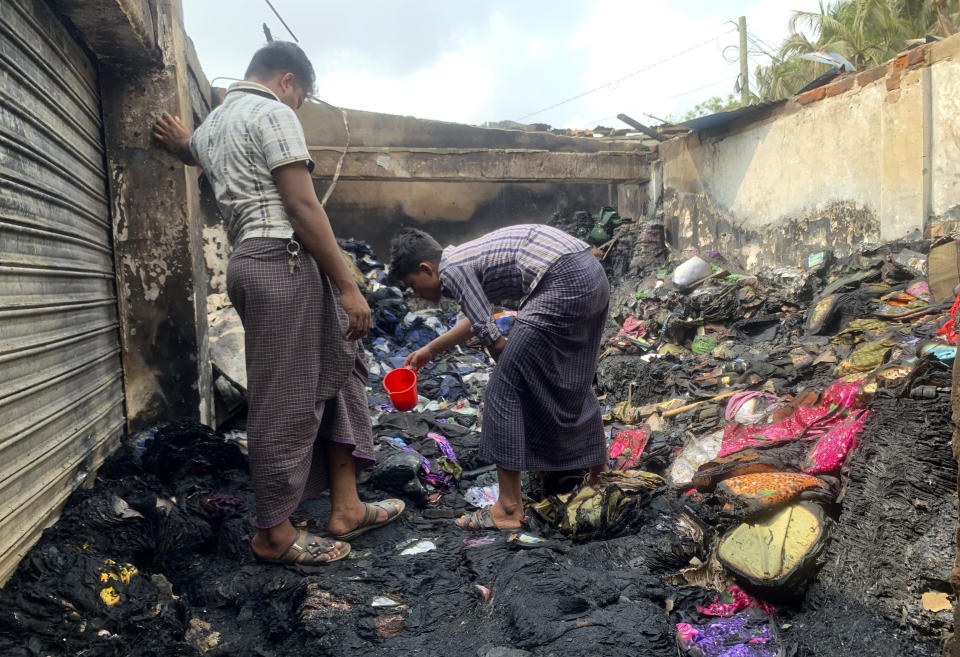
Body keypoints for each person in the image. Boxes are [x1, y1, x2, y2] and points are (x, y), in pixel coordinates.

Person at [153, 42, 403, 566]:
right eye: (300, 101)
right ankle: (273, 534)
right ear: (287, 81)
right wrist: (348, 284)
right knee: (285, 397)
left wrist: (182, 142)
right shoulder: (271, 112)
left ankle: (346, 507)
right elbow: (300, 203)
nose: (296, 112)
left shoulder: (215, 125)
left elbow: (193, 151)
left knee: (343, 369)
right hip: (281, 262)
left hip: (256, 263)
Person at [389, 224, 610, 530]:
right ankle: (600, 475)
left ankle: (507, 508)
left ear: (426, 268)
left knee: (503, 392)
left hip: (562, 280)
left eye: (413, 285)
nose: (418, 294)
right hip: (590, 272)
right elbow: (478, 314)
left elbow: (492, 338)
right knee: (570, 376)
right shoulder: (466, 260)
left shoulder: (453, 267)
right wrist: (432, 348)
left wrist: (511, 365)